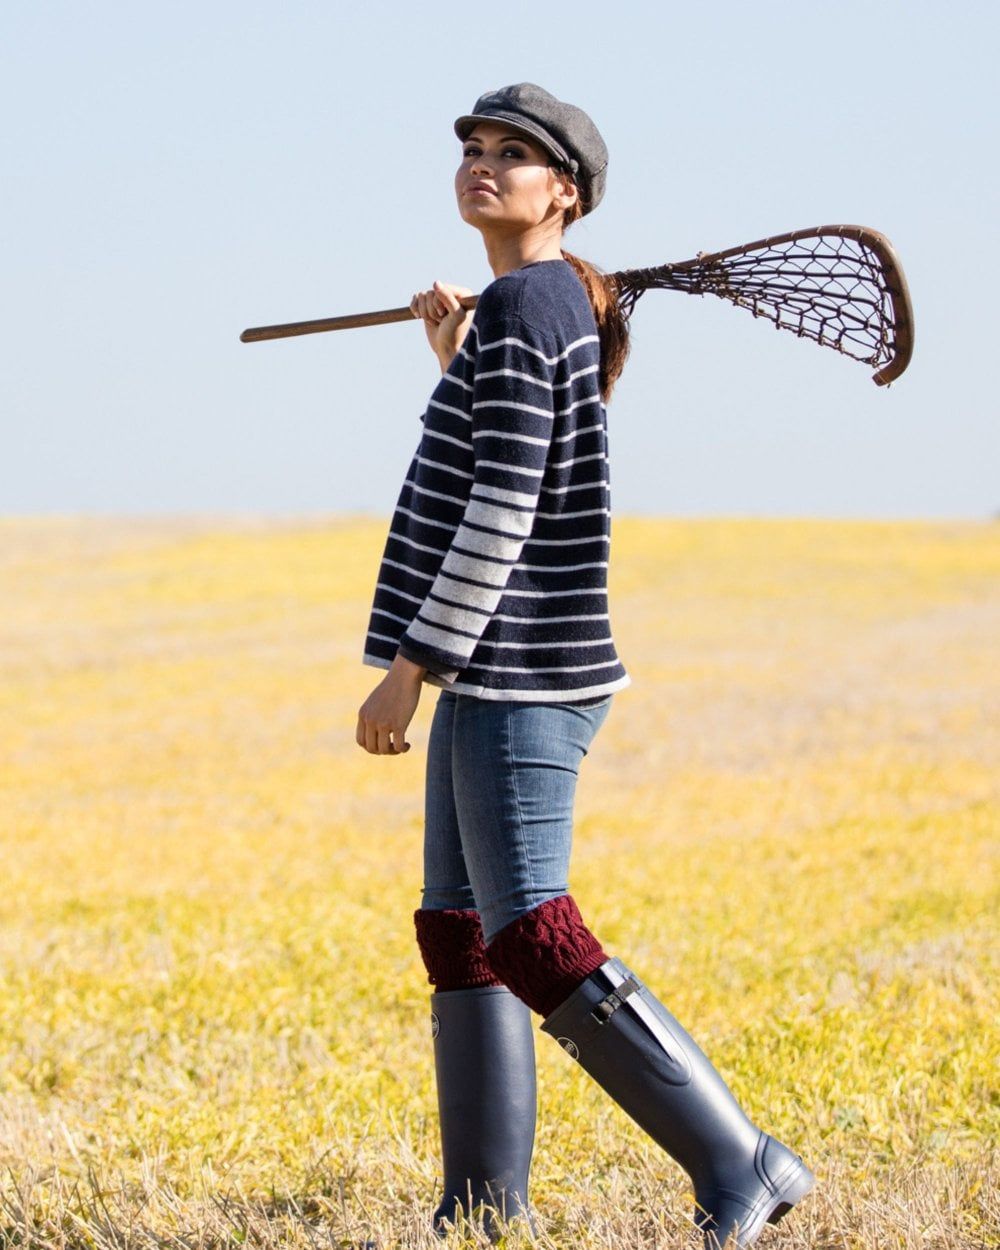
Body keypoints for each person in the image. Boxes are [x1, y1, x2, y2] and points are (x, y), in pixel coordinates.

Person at [356, 83, 815, 1249]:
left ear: (563, 190)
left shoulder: (532, 303)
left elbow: (503, 506)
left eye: (512, 155)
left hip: (519, 668)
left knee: (528, 929)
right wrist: (452, 353)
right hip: (497, 664)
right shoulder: (534, 305)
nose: (483, 165)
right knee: (457, 926)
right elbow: (503, 450)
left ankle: (740, 1156)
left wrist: (409, 661)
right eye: (471, 149)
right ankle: (481, 1205)